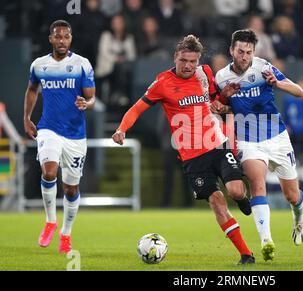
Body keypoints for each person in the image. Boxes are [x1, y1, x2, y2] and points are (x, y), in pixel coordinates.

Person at [112, 35, 255, 265]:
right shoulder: (162, 83)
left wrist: (224, 96)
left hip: (217, 144)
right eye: (183, 60)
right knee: (217, 202)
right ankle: (246, 254)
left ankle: (242, 198)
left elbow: (216, 101)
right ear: (175, 58)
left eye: (193, 61)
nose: (188, 66)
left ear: (198, 61)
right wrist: (121, 129)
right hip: (192, 157)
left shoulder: (205, 73)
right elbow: (137, 109)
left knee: (236, 191)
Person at [213, 29, 303, 261]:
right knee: (257, 184)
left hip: (277, 136)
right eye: (240, 51)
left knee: (292, 196)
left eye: (249, 52)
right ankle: (266, 240)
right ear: (231, 50)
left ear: (254, 52)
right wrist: (222, 103)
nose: (245, 56)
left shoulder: (263, 67)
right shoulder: (221, 77)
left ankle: (299, 218)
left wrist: (278, 83)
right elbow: (222, 107)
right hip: (247, 139)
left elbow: (300, 91)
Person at [23, 20, 96, 254]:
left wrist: (87, 103)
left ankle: (66, 234)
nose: (62, 40)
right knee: (49, 171)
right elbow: (32, 89)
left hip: (75, 134)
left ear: (70, 39)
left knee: (71, 189)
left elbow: (91, 98)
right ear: (51, 39)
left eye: (66, 36)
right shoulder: (39, 65)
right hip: (48, 128)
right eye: (58, 36)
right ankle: (50, 221)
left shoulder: (81, 65)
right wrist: (26, 117)